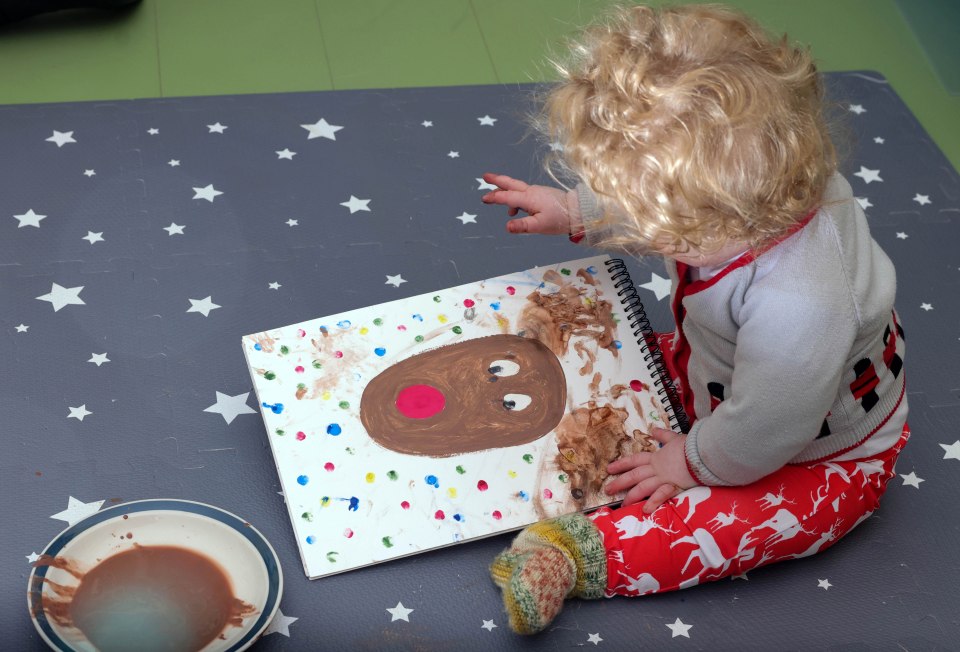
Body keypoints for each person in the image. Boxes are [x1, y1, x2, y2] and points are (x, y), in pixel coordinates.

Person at [481, 3, 908, 635]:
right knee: (603, 361)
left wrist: (690, 465)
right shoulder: (758, 175)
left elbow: (767, 429)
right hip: (730, 376)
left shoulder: (799, 307)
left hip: (815, 454)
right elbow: (672, 188)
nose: (637, 226)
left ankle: (575, 556)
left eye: (640, 214)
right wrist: (580, 209)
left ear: (714, 214)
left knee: (734, 525)